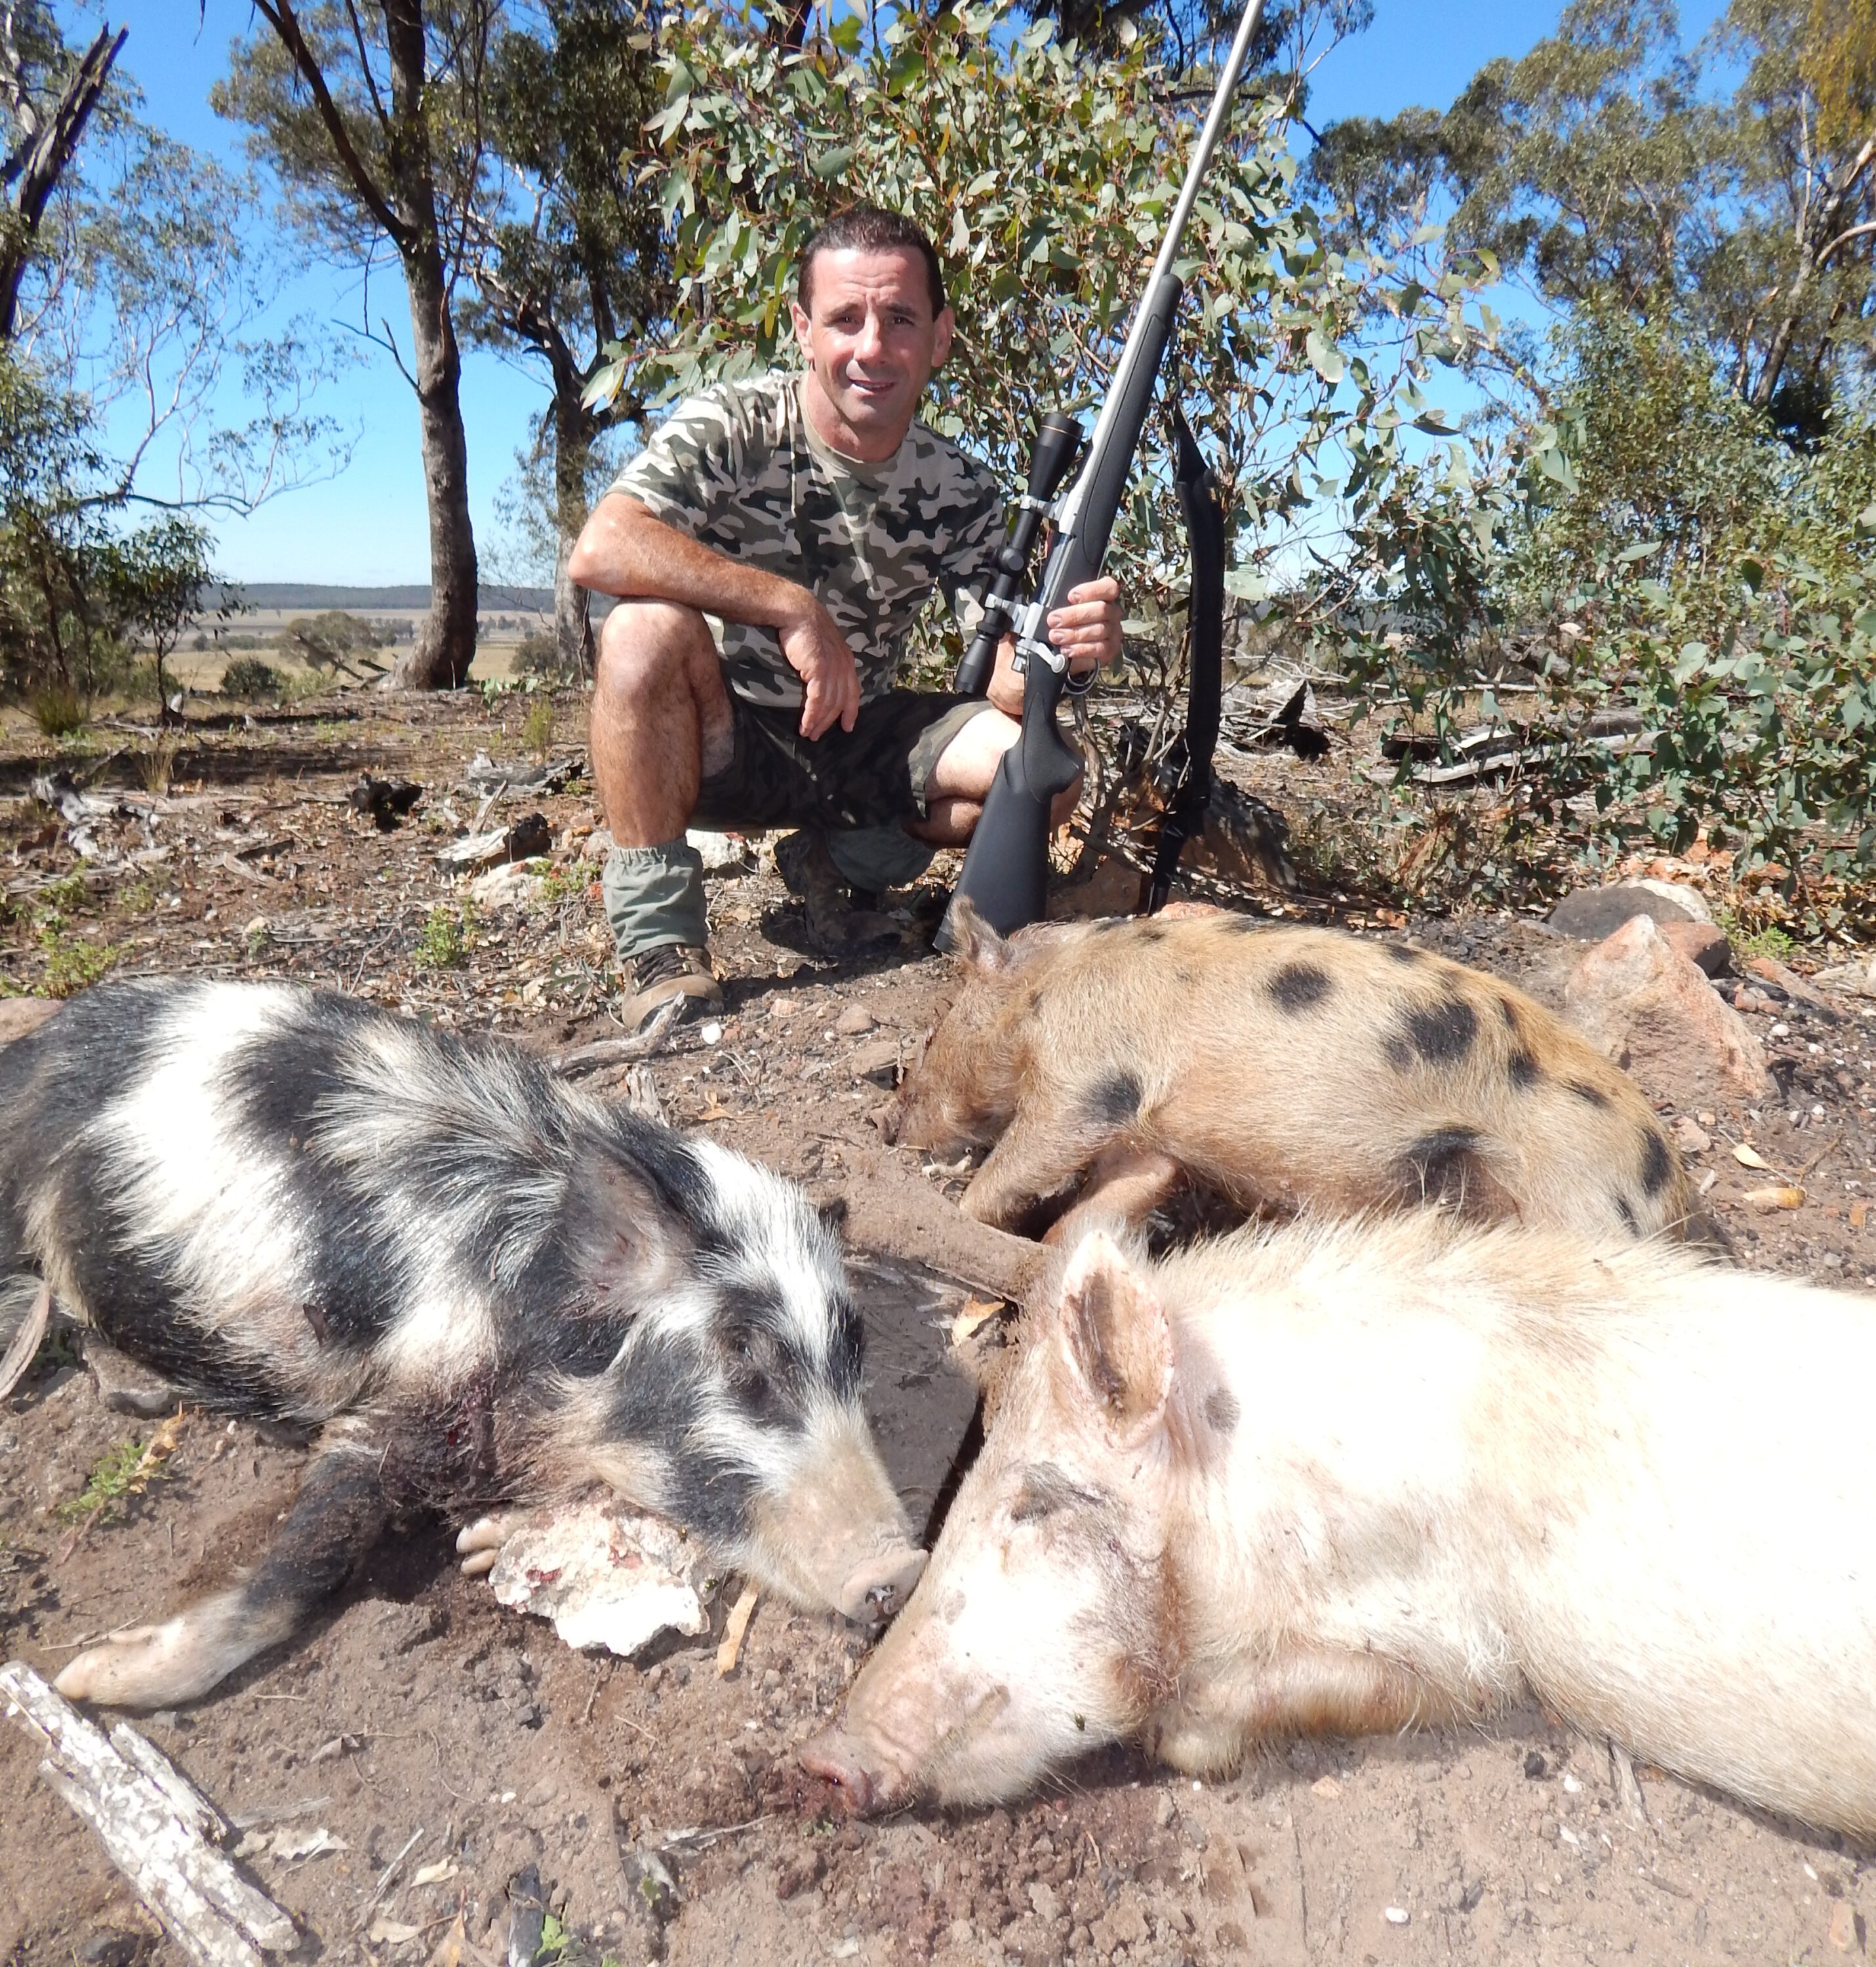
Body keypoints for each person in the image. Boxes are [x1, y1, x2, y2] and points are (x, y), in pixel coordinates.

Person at [567, 204, 1123, 1029]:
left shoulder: (959, 487)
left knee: (1038, 774)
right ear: (802, 329)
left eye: (899, 320)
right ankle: (661, 948)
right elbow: (602, 547)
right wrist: (790, 607)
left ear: (937, 338)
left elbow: (1011, 683)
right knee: (640, 632)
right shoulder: (733, 424)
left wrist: (1067, 652)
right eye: (844, 319)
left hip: (856, 737)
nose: (871, 348)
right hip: (721, 737)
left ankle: (839, 859)